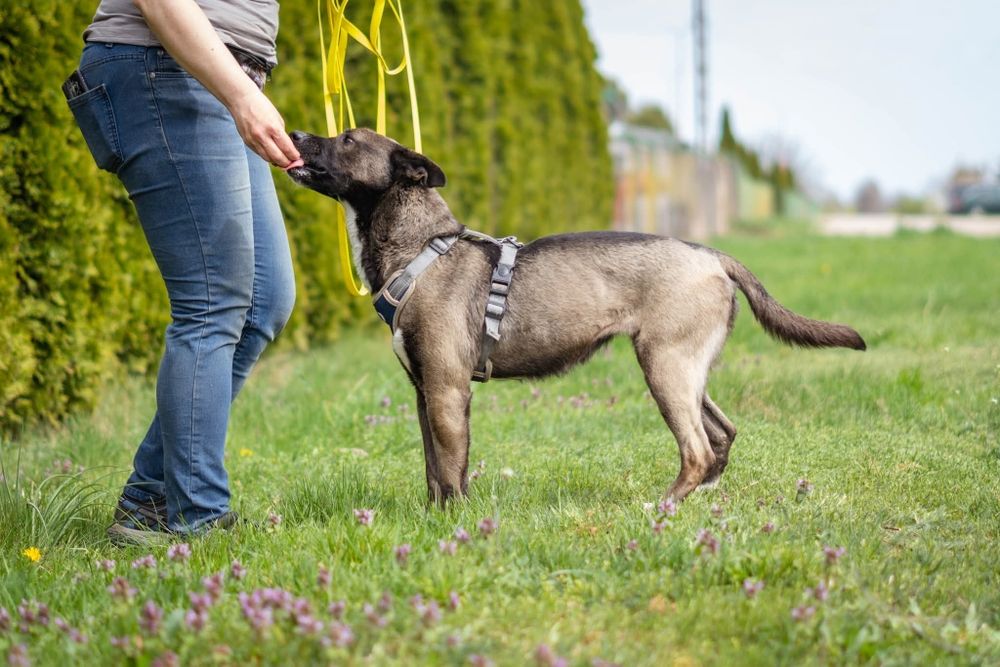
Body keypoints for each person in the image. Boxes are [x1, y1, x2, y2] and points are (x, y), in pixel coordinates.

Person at [65, 0, 301, 545]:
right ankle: (198, 520)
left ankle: (150, 501)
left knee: (264, 301)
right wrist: (243, 95)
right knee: (212, 302)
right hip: (163, 68)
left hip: (216, 75)